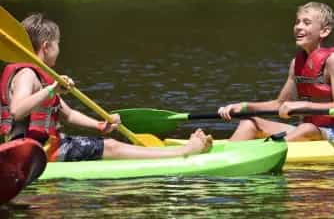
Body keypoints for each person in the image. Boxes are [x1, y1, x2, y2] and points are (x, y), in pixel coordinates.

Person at [0, 13, 212, 161]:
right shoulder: (27, 74)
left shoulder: (44, 77)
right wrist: (52, 89)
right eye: (58, 43)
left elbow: (69, 114)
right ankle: (185, 152)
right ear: (47, 46)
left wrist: (100, 125)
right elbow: (17, 110)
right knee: (111, 146)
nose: (59, 48)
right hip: (31, 154)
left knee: (106, 140)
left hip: (46, 146)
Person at [218, 2, 334, 142]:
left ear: (324, 31)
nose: (299, 27)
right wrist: (243, 106)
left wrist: (302, 105)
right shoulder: (296, 64)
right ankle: (223, 157)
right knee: (249, 122)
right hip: (306, 129)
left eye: (306, 23)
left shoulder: (333, 61)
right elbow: (280, 104)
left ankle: (268, 149)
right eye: (297, 22)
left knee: (306, 128)